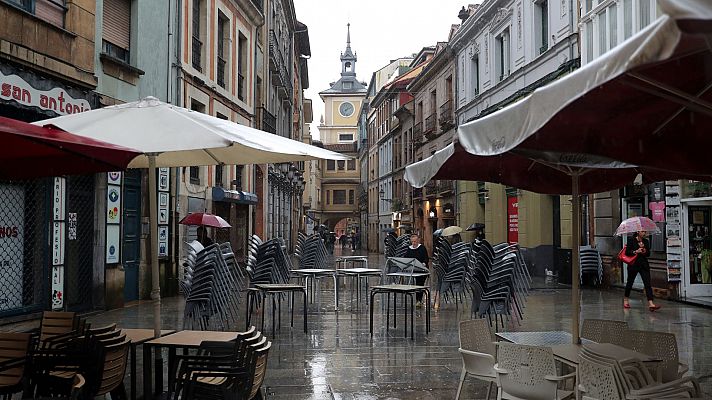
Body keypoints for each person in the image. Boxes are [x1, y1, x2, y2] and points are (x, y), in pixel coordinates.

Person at [623, 231, 661, 311]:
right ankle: (626, 299)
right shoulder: (631, 240)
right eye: (642, 231)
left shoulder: (646, 241)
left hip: (643, 265)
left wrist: (644, 250)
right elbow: (627, 252)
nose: (644, 233)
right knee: (630, 282)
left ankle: (651, 303)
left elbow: (648, 254)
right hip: (633, 264)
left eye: (645, 231)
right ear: (638, 232)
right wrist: (636, 251)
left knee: (647, 283)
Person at [404, 233, 429, 307]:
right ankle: (415, 298)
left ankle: (419, 299)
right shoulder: (409, 249)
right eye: (412, 242)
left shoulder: (422, 248)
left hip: (421, 270)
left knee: (420, 283)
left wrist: (423, 264)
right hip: (412, 269)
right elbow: (406, 258)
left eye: (415, 241)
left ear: (418, 241)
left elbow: (426, 258)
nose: (414, 243)